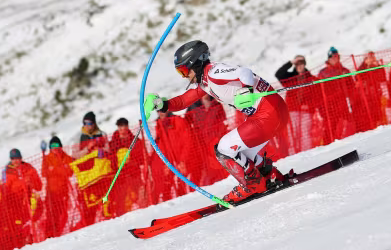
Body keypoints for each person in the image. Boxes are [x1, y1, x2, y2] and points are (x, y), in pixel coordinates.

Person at [143, 40, 289, 204]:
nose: (184, 76)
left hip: (268, 114)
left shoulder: (214, 73)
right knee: (243, 154)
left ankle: (252, 185)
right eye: (180, 72)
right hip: (271, 114)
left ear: (196, 63)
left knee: (224, 148)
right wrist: (162, 105)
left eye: (184, 70)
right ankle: (270, 175)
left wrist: (246, 90)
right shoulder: (205, 82)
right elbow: (184, 101)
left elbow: (244, 72)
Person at [70, 112, 113, 226]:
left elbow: (108, 150)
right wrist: (87, 149)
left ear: (94, 124)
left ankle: (109, 223)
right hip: (87, 178)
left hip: (102, 175)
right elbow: (74, 155)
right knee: (90, 208)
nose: (87, 126)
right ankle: (89, 227)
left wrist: (99, 149)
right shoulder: (78, 137)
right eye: (85, 123)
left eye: (89, 123)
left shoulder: (101, 134)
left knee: (106, 203)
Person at [0, 148, 43, 249]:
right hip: (15, 202)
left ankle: (32, 243)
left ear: (21, 158)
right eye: (13, 159)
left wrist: (30, 183)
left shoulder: (28, 168)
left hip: (29, 200)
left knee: (30, 224)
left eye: (17, 158)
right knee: (18, 227)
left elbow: (39, 186)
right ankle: (19, 245)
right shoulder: (7, 171)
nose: (15, 161)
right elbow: (5, 189)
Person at [184, 95, 229, 185]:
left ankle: (223, 181)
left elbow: (223, 120)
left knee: (218, 162)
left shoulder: (216, 104)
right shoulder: (193, 106)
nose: (204, 93)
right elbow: (186, 122)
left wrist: (219, 135)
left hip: (215, 139)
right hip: (201, 142)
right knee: (206, 165)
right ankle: (210, 184)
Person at [108, 118, 146, 215]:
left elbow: (141, 157)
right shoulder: (113, 143)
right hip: (120, 177)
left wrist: (132, 162)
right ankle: (122, 217)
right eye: (120, 127)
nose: (122, 129)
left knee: (138, 196)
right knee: (123, 200)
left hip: (134, 174)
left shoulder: (135, 140)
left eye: (124, 126)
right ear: (118, 128)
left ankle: (144, 213)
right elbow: (111, 159)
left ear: (127, 127)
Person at [317, 47, 357, 139]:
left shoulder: (345, 71)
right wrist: (321, 108)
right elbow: (319, 92)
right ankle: (330, 144)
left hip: (344, 103)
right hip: (330, 106)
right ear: (329, 59)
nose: (335, 58)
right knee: (331, 129)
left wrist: (352, 100)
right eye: (333, 57)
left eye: (337, 56)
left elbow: (351, 87)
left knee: (349, 125)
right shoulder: (323, 73)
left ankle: (349, 141)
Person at [40, 136, 74, 238]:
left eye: (56, 145)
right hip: (51, 193)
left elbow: (70, 172)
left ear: (60, 146)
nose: (55, 148)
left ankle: (58, 234)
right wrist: (60, 169)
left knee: (62, 214)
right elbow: (44, 173)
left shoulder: (67, 157)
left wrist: (54, 169)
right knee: (51, 216)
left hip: (63, 192)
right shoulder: (47, 158)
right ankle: (48, 236)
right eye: (52, 146)